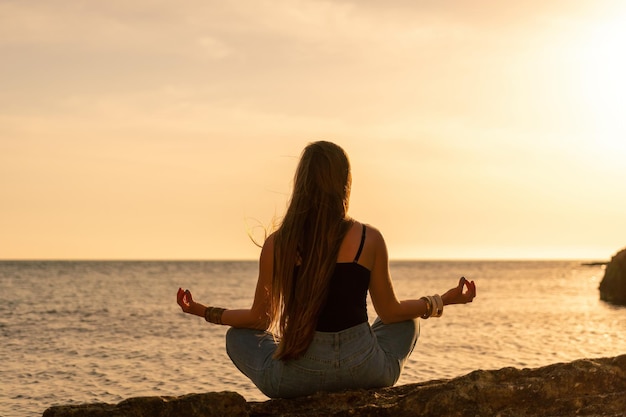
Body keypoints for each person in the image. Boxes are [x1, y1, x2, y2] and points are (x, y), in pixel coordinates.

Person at [176, 140, 476, 398]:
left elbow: (259, 319)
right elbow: (391, 312)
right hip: (366, 372)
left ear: (301, 183)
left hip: (296, 379)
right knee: (409, 322)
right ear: (344, 182)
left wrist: (205, 311)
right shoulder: (368, 238)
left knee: (237, 337)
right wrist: (442, 301)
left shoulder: (278, 243)